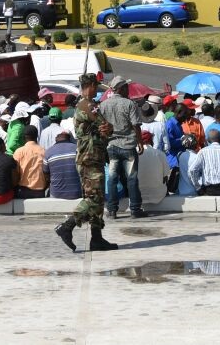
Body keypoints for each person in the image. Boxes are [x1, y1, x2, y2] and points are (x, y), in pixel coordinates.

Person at [54, 74, 116, 252]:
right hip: (90, 157)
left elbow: (105, 129)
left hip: (92, 156)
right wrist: (108, 128)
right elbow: (105, 126)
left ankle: (97, 238)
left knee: (98, 199)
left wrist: (107, 129)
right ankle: (68, 225)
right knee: (94, 198)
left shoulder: (85, 104)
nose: (97, 89)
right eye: (95, 86)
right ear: (89, 85)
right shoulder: (87, 105)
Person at [99, 77, 146, 220]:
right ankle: (135, 209)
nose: (128, 89)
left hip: (111, 146)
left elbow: (102, 126)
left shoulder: (104, 105)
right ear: (121, 88)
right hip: (128, 145)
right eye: (126, 87)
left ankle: (112, 210)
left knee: (112, 178)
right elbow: (136, 125)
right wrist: (140, 142)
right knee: (131, 178)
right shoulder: (129, 104)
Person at [189, 129, 220, 195]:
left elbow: (192, 170)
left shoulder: (203, 152)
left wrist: (198, 188)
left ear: (208, 140)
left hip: (209, 190)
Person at [135, 130, 169, 206]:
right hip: (158, 195)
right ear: (151, 140)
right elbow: (165, 176)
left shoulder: (134, 154)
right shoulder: (160, 153)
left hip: (137, 195)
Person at [45, 132, 82, 201]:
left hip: (56, 194)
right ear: (70, 139)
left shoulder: (48, 152)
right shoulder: (78, 149)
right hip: (77, 193)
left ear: (56, 139)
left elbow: (46, 174)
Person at [13, 126, 48, 199]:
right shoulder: (44, 151)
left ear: (24, 137)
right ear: (36, 136)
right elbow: (47, 173)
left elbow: (15, 173)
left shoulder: (19, 152)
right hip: (40, 191)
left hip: (23, 191)